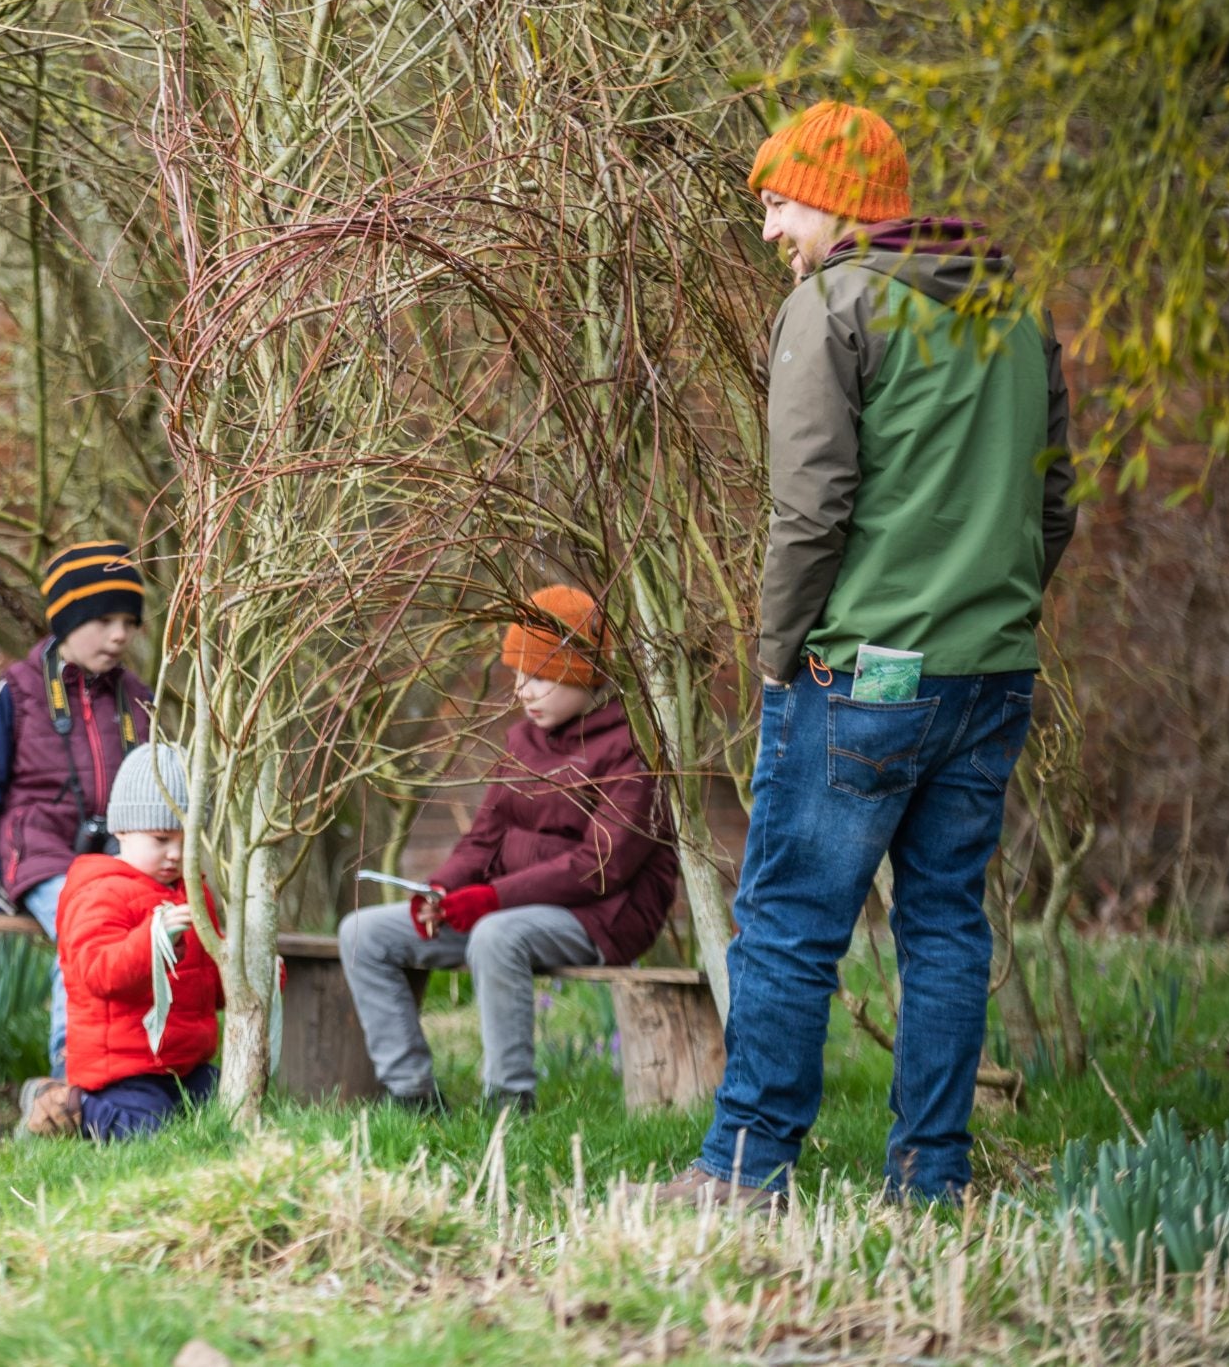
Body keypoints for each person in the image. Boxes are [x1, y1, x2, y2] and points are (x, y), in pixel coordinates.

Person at [660, 102, 1074, 1208]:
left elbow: (810, 511)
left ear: (839, 201)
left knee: (792, 921)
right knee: (945, 920)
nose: (768, 232)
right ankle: (932, 1177)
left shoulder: (833, 303)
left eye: (778, 204)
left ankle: (746, 1171)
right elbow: (1056, 500)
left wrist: (778, 654)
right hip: (992, 672)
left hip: (863, 677)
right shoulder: (1015, 309)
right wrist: (992, 615)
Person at [337, 585, 676, 1113]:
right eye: (518, 674)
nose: (523, 689)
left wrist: (491, 899)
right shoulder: (521, 743)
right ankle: (412, 1096)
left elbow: (599, 866)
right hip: (511, 908)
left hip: (603, 917)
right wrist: (442, 889)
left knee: (495, 935)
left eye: (539, 675)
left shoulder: (633, 748)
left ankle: (509, 1102)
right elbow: (484, 837)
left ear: (583, 671)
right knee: (363, 934)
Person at [0, 540, 154, 1076]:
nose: (119, 635)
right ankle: (75, 1074)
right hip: (42, 863)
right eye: (104, 619)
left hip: (120, 867)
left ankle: (146, 1067)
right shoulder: (14, 694)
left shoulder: (138, 700)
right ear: (67, 619)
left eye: (129, 623)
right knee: (86, 922)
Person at [16, 743, 223, 1141]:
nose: (176, 854)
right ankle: (67, 1108)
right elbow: (98, 973)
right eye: (161, 839)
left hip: (183, 1063)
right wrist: (153, 945)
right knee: (150, 1132)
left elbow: (206, 985)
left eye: (187, 840)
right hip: (123, 1067)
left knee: (226, 1109)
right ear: (122, 830)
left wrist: (249, 971)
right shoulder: (99, 892)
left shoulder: (191, 894)